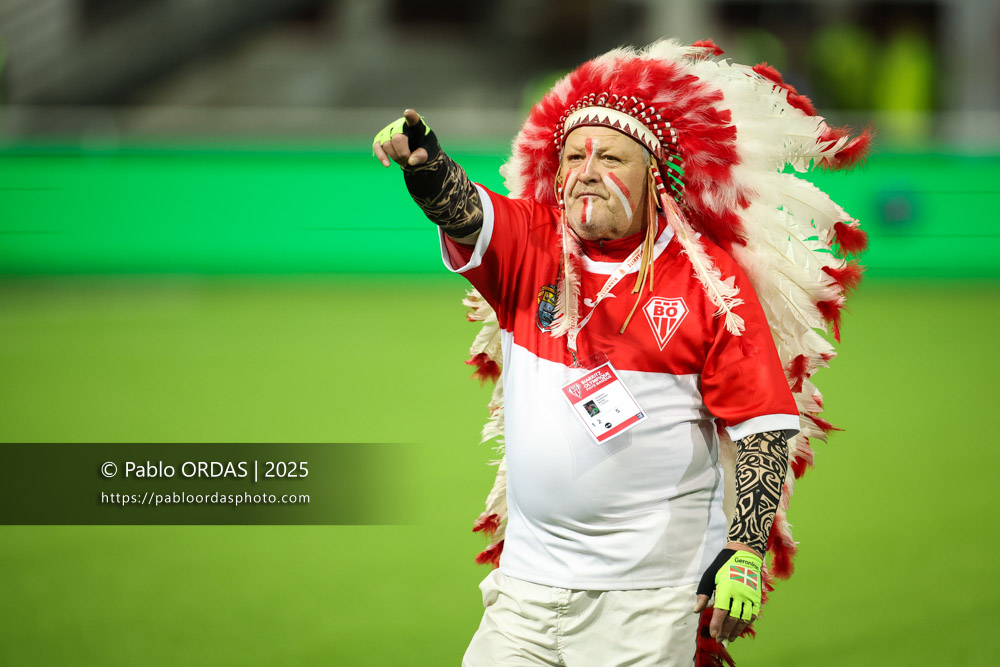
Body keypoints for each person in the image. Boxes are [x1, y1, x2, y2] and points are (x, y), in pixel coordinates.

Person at [374, 39, 868, 667]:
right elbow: (466, 213)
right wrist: (427, 166)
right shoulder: (532, 243)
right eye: (574, 155)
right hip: (526, 591)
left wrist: (745, 553)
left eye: (609, 156)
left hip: (650, 605)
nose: (585, 169)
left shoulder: (709, 282)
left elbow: (762, 427)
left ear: (655, 177)